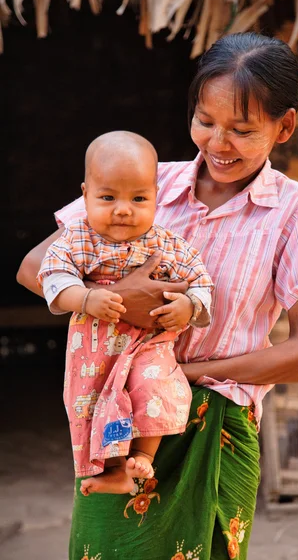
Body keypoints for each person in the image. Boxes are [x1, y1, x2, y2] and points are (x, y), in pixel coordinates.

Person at [17, 33, 298, 560]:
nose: (218, 143)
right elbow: (36, 267)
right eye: (206, 122)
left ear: (284, 126)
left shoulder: (296, 213)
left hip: (214, 423)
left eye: (242, 130)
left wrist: (177, 374)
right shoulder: (144, 186)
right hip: (118, 419)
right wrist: (118, 297)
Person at [36, 131, 213, 497]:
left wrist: (188, 306)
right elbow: (52, 277)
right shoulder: (77, 239)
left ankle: (143, 457)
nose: (123, 209)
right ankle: (114, 468)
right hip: (95, 349)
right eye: (107, 197)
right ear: (84, 195)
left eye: (138, 198)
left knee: (152, 390)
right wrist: (85, 298)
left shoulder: (166, 244)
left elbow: (200, 281)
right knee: (93, 401)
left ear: (156, 198)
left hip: (149, 345)